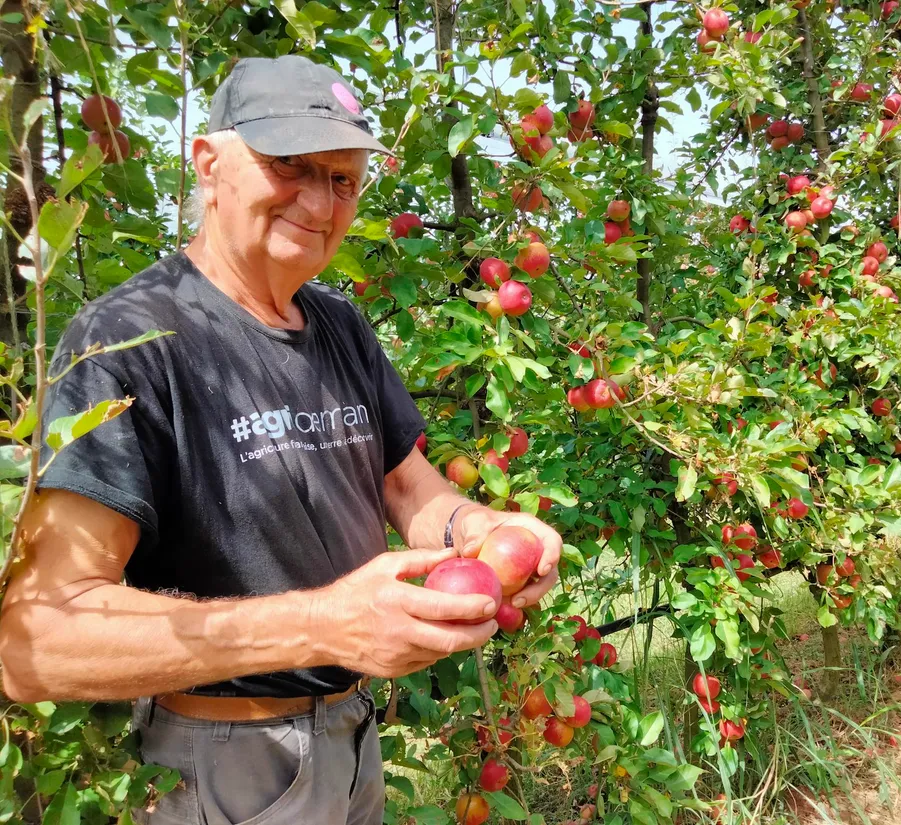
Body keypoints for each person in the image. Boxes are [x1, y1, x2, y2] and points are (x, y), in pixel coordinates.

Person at [0, 54, 561, 825]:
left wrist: (480, 529)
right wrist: (326, 623)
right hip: (226, 760)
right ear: (209, 164)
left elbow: (407, 485)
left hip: (352, 737)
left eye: (342, 179)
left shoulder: (339, 324)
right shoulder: (130, 342)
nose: (319, 200)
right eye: (288, 164)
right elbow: (37, 638)